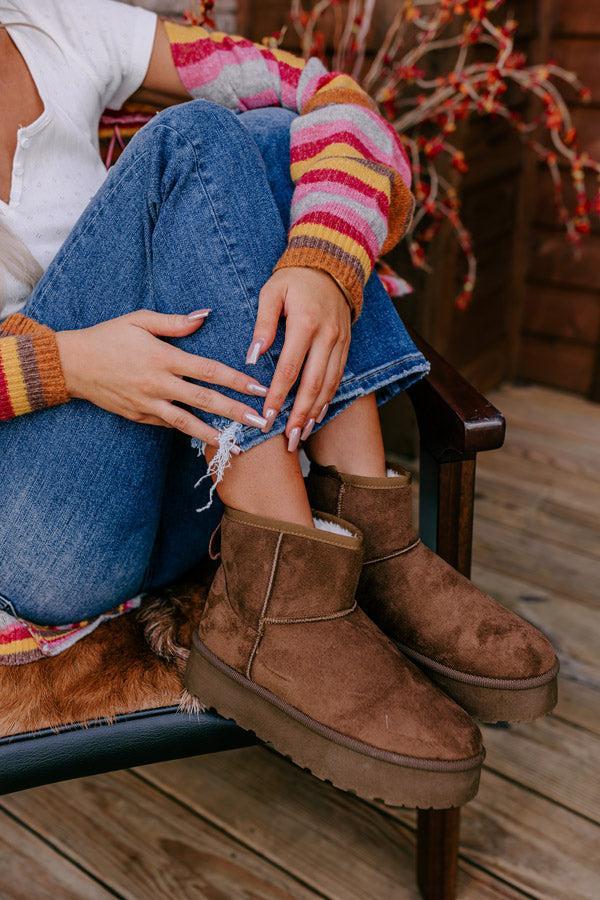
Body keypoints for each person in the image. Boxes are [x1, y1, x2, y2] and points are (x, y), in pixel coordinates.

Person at [0, 0, 557, 807]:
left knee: (273, 135)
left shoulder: (60, 27)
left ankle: (364, 539)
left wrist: (326, 258)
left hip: (184, 474)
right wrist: (71, 364)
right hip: (38, 534)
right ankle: (287, 601)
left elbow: (334, 97)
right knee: (190, 140)